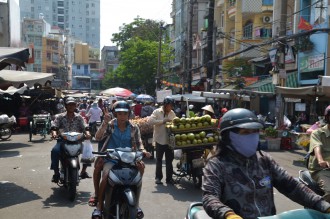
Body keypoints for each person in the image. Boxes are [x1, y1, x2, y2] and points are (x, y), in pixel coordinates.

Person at [202, 108, 330, 219]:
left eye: (255, 132)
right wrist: (228, 214)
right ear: (228, 136)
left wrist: (323, 205)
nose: (252, 136)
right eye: (245, 132)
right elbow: (210, 197)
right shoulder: (216, 165)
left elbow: (292, 186)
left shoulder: (264, 161)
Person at [90, 101, 150, 219]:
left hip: (129, 158)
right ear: (115, 114)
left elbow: (139, 143)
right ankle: (99, 206)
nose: (122, 116)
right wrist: (105, 122)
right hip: (112, 158)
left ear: (129, 114)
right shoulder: (110, 125)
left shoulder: (134, 127)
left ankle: (136, 204)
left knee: (141, 168)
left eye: (125, 113)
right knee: (106, 175)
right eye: (119, 114)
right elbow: (97, 137)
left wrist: (143, 151)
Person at [50, 97, 92, 183]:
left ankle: (83, 171)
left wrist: (87, 133)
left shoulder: (79, 117)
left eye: (73, 104)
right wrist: (54, 133)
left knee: (88, 152)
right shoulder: (60, 117)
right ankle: (56, 173)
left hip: (77, 141)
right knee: (54, 151)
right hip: (63, 141)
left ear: (75, 106)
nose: (71, 106)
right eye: (69, 104)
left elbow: (85, 126)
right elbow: (54, 127)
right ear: (66, 106)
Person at [148, 96, 176, 185]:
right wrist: (163, 121)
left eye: (172, 106)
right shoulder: (157, 112)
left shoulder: (172, 113)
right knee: (159, 160)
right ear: (165, 105)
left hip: (169, 141)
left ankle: (169, 178)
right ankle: (158, 178)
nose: (171, 107)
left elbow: (175, 123)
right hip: (159, 139)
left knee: (169, 161)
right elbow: (150, 121)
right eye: (169, 105)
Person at [308, 105, 330, 202]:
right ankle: (323, 211)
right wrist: (321, 160)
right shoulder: (317, 133)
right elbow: (317, 147)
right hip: (321, 170)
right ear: (327, 117)